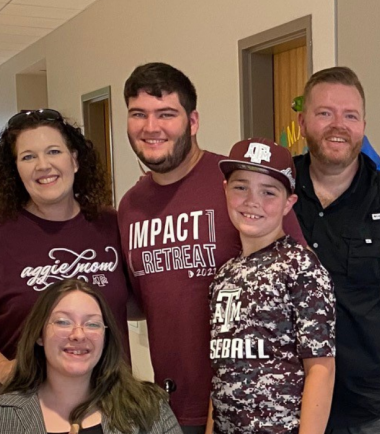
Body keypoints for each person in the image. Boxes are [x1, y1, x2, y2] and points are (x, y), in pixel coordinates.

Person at [115, 63, 306, 434]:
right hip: (167, 408)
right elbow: (143, 300)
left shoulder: (238, 187)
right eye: (139, 114)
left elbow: (300, 290)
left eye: (166, 114)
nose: (151, 127)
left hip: (249, 413)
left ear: (193, 121)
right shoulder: (131, 205)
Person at [0, 109, 130, 410]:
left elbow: (133, 302)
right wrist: (4, 370)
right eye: (28, 157)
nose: (43, 165)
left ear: (75, 160)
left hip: (107, 403)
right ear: (15, 169)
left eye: (54, 151)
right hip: (19, 408)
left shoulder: (111, 226)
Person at [291, 67, 380, 433]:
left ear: (363, 124)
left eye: (350, 116)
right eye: (324, 113)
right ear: (302, 121)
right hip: (287, 399)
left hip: (367, 410)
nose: (337, 125)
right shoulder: (276, 192)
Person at [207, 139, 337, 434]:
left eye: (268, 192)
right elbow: (220, 372)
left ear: (288, 202)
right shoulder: (223, 277)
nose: (252, 201)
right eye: (241, 187)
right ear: (225, 189)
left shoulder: (302, 267)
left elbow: (321, 368)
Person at [0, 279, 181, 434]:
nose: (78, 334)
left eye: (92, 324)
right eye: (63, 322)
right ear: (39, 335)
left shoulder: (151, 408)